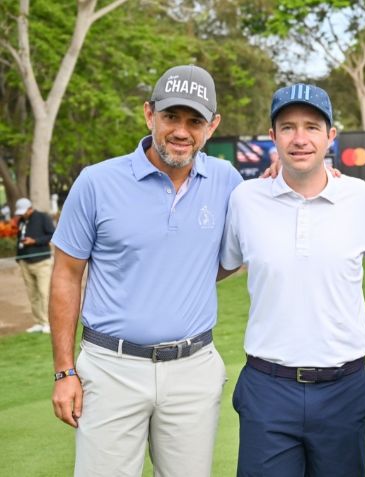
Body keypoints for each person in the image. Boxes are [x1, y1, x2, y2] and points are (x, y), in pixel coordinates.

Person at [49, 64, 243, 476]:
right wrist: (64, 370)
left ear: (213, 125)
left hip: (193, 368)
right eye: (171, 116)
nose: (181, 131)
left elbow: (233, 254)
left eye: (195, 120)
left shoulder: (227, 180)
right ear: (149, 114)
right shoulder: (96, 182)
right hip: (111, 367)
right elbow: (66, 274)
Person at [220, 83, 365, 476]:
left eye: (312, 127)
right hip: (268, 387)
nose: (299, 138)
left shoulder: (359, 197)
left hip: (343, 388)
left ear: (330, 136)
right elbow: (220, 264)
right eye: (288, 127)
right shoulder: (245, 200)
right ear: (273, 136)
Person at [14, 197, 55, 334]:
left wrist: (35, 241)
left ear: (30, 208)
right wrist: (19, 258)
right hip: (25, 262)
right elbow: (19, 238)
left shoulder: (43, 217)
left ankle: (47, 323)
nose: (22, 214)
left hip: (42, 262)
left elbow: (52, 235)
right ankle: (38, 321)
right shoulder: (22, 221)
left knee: (44, 293)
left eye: (23, 211)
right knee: (32, 295)